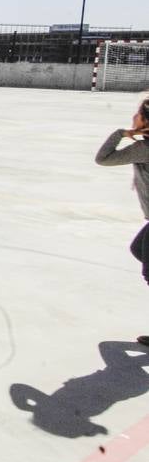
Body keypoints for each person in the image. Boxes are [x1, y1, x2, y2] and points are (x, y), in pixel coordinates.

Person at [93, 95, 149, 345]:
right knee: (138, 249)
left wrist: (120, 133)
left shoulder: (143, 149)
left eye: (137, 114)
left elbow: (103, 159)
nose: (133, 117)